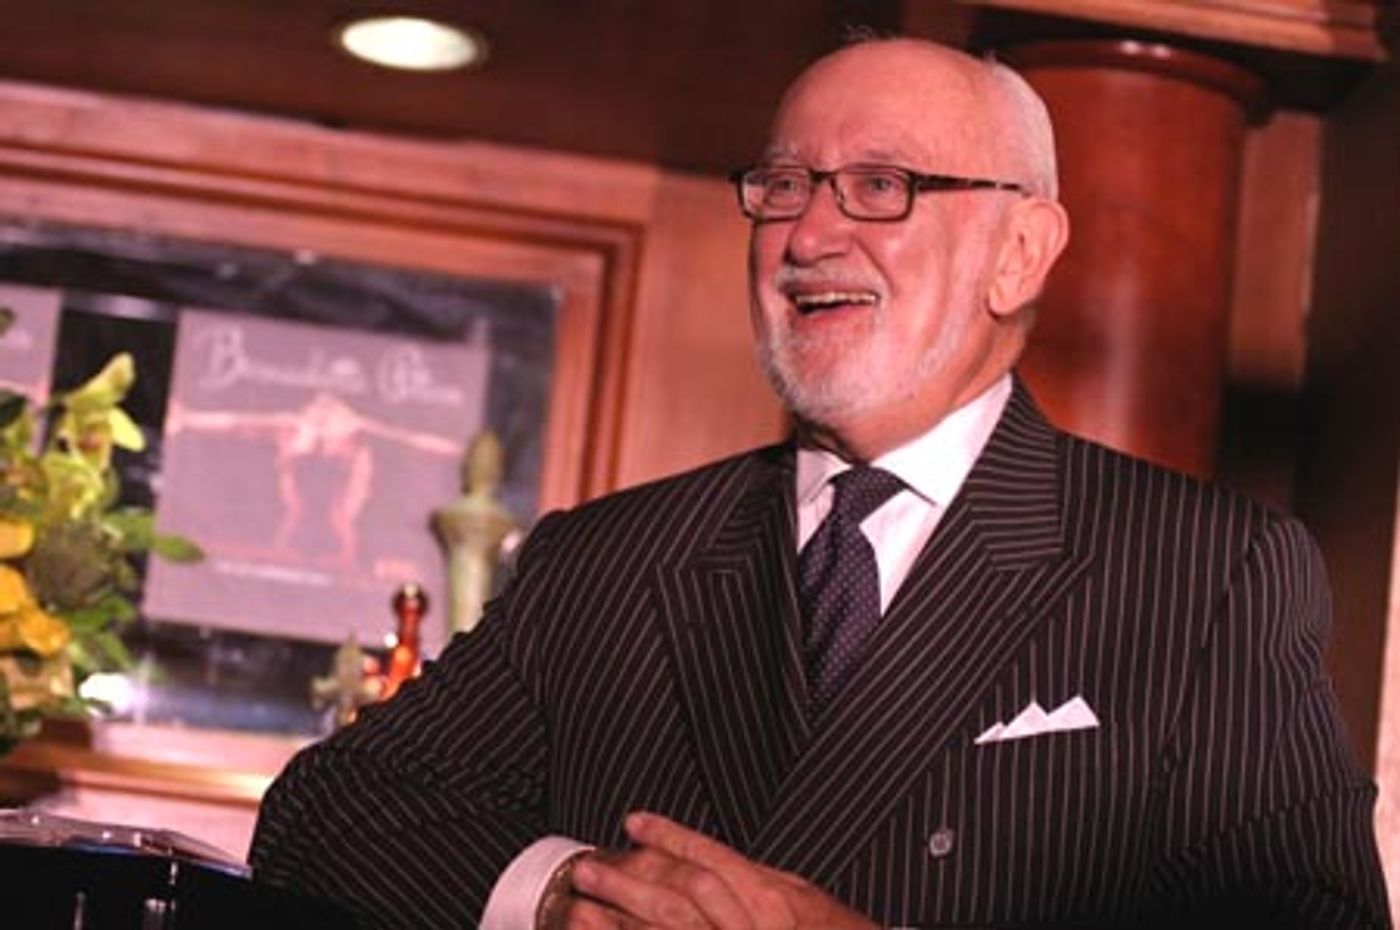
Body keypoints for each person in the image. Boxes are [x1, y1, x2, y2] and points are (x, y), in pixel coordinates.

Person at [249, 38, 1389, 929]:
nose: (808, 235)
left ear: (1018, 253)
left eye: (881, 185)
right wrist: (564, 895)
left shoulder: (1203, 572)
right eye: (784, 185)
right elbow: (327, 813)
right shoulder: (606, 560)